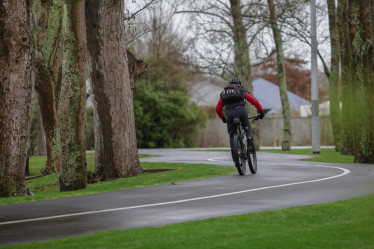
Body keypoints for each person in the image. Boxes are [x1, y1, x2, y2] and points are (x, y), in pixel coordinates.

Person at [216, 78, 265, 149]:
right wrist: (261, 112)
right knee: (246, 125)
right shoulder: (241, 91)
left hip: (230, 114)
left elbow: (218, 109)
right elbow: (254, 101)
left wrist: (223, 118)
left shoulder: (224, 93)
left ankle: (234, 152)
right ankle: (249, 138)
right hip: (241, 111)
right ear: (239, 84)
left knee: (232, 134)